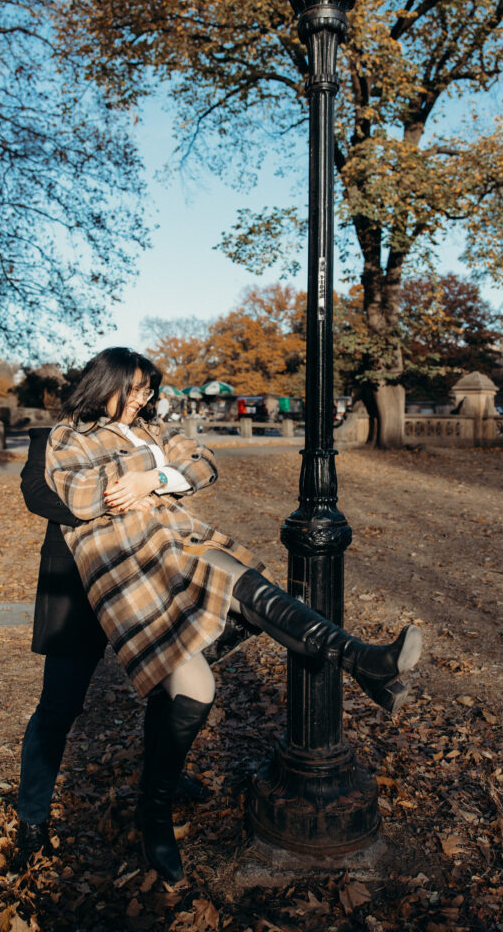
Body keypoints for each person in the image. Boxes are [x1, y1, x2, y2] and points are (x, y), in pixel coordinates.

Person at [43, 347, 422, 883]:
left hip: (183, 548)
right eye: (132, 390)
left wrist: (154, 478)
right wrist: (154, 465)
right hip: (133, 572)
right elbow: (83, 494)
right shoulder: (69, 436)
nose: (142, 400)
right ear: (104, 383)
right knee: (195, 690)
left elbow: (204, 463)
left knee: (239, 581)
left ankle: (362, 658)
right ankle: (154, 816)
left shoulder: (153, 430)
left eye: (148, 391)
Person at [11, 428, 253, 872]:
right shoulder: (55, 436)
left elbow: (191, 466)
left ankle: (160, 785)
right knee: (59, 707)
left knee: (169, 688)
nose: (138, 401)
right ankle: (32, 820)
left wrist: (154, 481)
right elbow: (37, 495)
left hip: (145, 575)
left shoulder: (144, 431)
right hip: (78, 586)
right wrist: (120, 498)